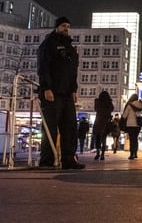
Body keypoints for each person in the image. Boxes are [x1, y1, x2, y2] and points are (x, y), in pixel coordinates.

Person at [36, 16, 84, 169]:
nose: (66, 28)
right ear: (57, 27)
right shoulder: (48, 44)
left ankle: (68, 159)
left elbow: (72, 72)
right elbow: (43, 67)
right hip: (53, 92)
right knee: (50, 127)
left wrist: (74, 90)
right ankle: (47, 160)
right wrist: (46, 87)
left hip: (67, 93)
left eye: (68, 26)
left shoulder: (70, 48)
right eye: (63, 25)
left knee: (69, 127)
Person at [121, 94, 142, 160]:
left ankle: (132, 154)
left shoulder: (129, 105)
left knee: (132, 140)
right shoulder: (141, 105)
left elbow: (124, 116)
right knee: (135, 139)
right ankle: (135, 153)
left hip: (130, 125)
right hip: (138, 125)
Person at [92, 90, 114, 160]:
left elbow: (96, 109)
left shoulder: (98, 101)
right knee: (104, 138)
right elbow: (112, 109)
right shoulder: (109, 102)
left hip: (98, 121)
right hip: (105, 122)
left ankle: (98, 153)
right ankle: (102, 154)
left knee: (97, 138)